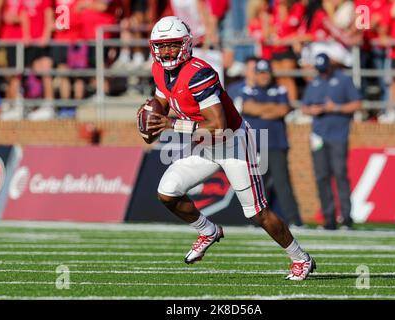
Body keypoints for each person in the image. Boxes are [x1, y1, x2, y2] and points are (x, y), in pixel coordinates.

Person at [138, 16, 315, 280]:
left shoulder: (199, 73)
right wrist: (151, 116)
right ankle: (208, 230)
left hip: (232, 142)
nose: (166, 52)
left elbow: (219, 126)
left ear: (186, 45)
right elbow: (162, 98)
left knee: (257, 212)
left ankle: (301, 258)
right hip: (205, 144)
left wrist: (171, 124)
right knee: (167, 192)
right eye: (161, 46)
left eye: (172, 45)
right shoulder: (159, 69)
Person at [300, 53, 362, 230]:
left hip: (338, 135)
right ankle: (329, 218)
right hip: (318, 136)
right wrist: (312, 110)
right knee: (321, 176)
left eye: (325, 70)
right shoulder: (315, 82)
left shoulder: (343, 80)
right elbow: (304, 107)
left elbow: (357, 104)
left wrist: (335, 107)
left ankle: (347, 217)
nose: (323, 73)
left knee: (340, 174)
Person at [241, 59, 304, 228]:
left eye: (266, 73)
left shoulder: (280, 89)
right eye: (260, 73)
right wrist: (270, 109)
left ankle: (294, 220)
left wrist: (260, 109)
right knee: (257, 184)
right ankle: (258, 221)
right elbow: (247, 107)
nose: (263, 76)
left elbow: (283, 110)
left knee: (282, 182)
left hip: (276, 143)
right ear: (256, 75)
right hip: (255, 144)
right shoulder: (248, 89)